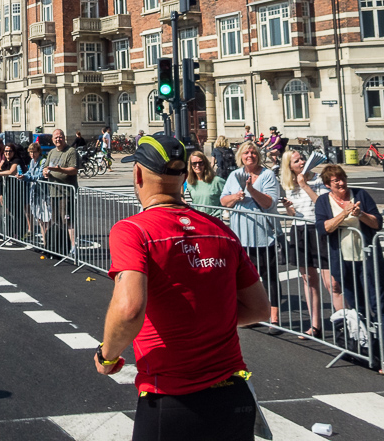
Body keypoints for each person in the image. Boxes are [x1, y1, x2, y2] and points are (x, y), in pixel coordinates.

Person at [95, 134, 271, 441]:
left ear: (138, 175)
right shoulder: (220, 230)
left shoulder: (133, 230)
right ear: (183, 176)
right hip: (233, 395)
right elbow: (258, 309)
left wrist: (108, 356)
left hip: (172, 396)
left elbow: (129, 309)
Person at [314, 164, 384, 373]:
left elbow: (377, 223)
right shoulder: (324, 201)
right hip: (342, 260)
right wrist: (344, 213)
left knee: (378, 305)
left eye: (342, 178)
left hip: (367, 259)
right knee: (358, 308)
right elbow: (323, 228)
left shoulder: (361, 195)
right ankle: (369, 353)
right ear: (328, 185)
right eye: (336, 181)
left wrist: (360, 214)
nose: (341, 183)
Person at [220, 141, 281, 325]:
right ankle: (252, 314)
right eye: (246, 153)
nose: (250, 156)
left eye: (253, 153)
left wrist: (252, 190)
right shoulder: (234, 175)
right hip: (241, 237)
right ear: (241, 156)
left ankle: (274, 317)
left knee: (269, 276)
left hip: (263, 236)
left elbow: (269, 203)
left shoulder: (268, 175)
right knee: (246, 279)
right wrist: (235, 197)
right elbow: (224, 201)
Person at [279, 148, 333, 340]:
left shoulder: (317, 179)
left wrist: (305, 185)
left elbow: (324, 205)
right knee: (308, 280)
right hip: (300, 230)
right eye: (296, 161)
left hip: (319, 229)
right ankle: (315, 325)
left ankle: (344, 324)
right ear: (289, 167)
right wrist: (288, 209)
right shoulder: (288, 184)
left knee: (331, 283)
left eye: (302, 159)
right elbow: (295, 214)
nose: (301, 163)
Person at [44, 129, 79, 255]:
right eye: (56, 137)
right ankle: (60, 246)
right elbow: (46, 167)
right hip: (53, 192)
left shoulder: (71, 151)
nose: (58, 139)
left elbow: (74, 170)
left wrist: (61, 170)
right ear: (52, 139)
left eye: (60, 137)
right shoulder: (52, 152)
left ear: (64, 138)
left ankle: (73, 248)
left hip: (66, 193)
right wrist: (44, 172)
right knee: (56, 221)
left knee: (67, 220)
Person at [184, 151, 224, 217]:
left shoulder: (217, 181)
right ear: (191, 165)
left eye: (200, 163)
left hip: (214, 220)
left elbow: (228, 197)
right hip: (198, 219)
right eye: (194, 163)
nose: (197, 165)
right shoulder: (189, 183)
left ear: (205, 164)